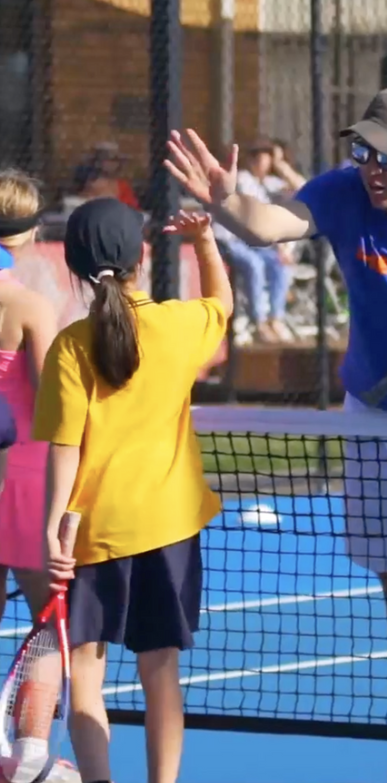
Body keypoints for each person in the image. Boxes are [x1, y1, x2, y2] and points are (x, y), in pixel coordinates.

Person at [165, 85, 387, 783]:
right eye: (364, 150)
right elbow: (269, 225)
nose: (373, 167)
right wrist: (225, 198)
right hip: (374, 411)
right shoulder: (341, 193)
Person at [33, 198, 233, 783]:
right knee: (160, 672)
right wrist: (204, 240)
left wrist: (52, 525)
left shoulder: (71, 345)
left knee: (85, 673)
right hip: (169, 530)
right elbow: (222, 302)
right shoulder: (177, 324)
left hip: (94, 533)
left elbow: (65, 446)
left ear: (73, 267)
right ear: (140, 259)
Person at [0, 170, 58, 624]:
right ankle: (42, 701)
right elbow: (51, 399)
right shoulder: (31, 306)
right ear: (32, 228)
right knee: (51, 614)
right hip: (25, 472)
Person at [213, 137, 306, 343]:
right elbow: (253, 216)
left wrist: (281, 165)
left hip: (256, 243)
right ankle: (259, 322)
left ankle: (276, 319)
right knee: (255, 265)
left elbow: (303, 188)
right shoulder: (243, 179)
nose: (262, 163)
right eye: (259, 158)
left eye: (267, 159)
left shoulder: (272, 183)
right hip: (232, 240)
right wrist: (279, 245)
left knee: (279, 265)